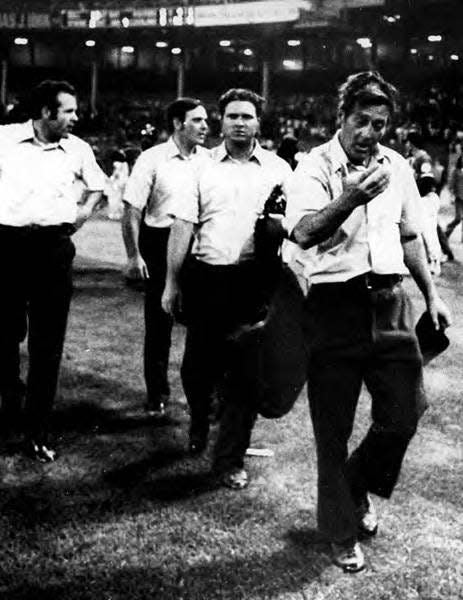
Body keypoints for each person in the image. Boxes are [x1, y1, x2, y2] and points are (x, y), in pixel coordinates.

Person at [285, 71, 451, 573]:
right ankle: (339, 532)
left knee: (405, 412)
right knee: (331, 430)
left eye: (379, 123)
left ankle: (353, 489)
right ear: (341, 118)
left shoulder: (396, 165)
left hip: (390, 302)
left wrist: (432, 294)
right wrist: (351, 196)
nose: (370, 133)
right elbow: (305, 231)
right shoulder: (314, 166)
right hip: (334, 307)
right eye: (361, 121)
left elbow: (408, 237)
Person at [162, 88, 292, 488]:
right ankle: (201, 419)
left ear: (259, 122)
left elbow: (294, 227)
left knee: (246, 371)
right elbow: (183, 225)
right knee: (197, 365)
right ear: (221, 120)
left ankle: (231, 457)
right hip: (207, 276)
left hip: (254, 281)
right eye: (232, 116)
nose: (239, 122)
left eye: (247, 116)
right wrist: (171, 282)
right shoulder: (200, 169)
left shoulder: (278, 169)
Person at [0, 79, 105, 461]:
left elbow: (98, 188)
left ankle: (37, 428)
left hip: (52, 249)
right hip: (6, 247)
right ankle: (9, 406)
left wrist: (77, 218)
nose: (77, 117)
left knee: (48, 343)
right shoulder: (5, 139)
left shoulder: (78, 149)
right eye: (69, 111)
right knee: (4, 335)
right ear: (46, 112)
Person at [122, 98, 209, 417]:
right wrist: (134, 256)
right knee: (159, 323)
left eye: (206, 120)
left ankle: (203, 394)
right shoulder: (152, 159)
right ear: (177, 123)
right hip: (159, 243)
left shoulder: (210, 160)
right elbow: (132, 209)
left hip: (199, 246)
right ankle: (156, 393)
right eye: (197, 120)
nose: (205, 126)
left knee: (202, 325)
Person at [417, 174, 442, 275]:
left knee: (429, 243)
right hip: (431, 223)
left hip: (426, 223)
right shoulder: (434, 198)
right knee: (433, 242)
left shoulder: (424, 200)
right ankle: (435, 263)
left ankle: (433, 263)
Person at [445, 153, 463, 242]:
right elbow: (451, 184)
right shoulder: (456, 171)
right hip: (459, 197)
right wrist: (451, 195)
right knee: (458, 218)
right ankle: (447, 231)